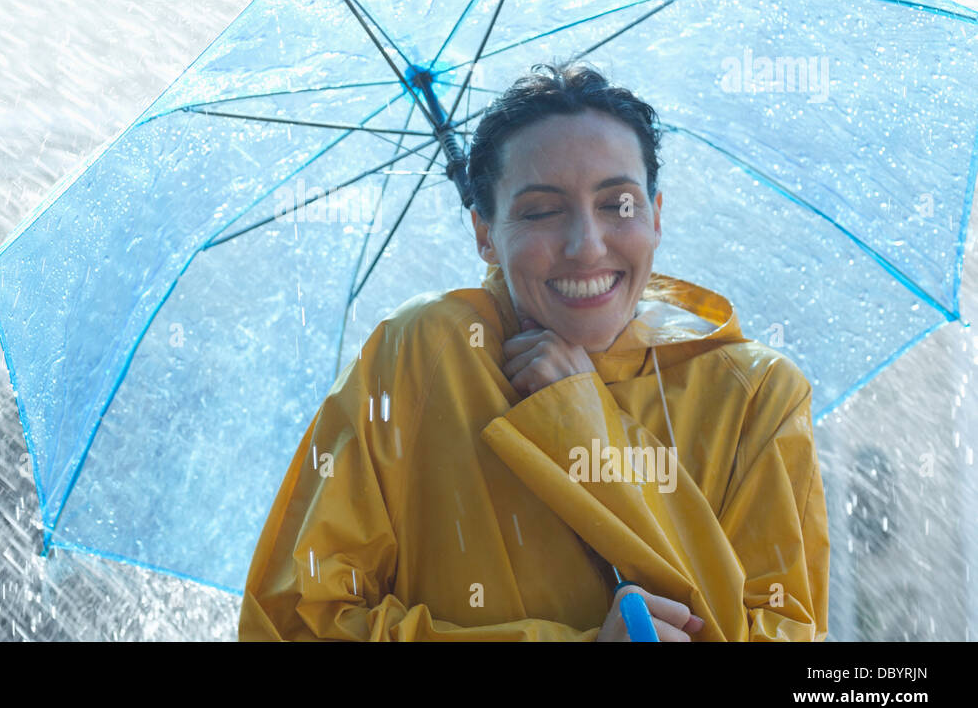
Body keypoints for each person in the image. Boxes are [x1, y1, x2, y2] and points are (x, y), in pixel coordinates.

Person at [237, 61, 829, 641]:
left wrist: (586, 426)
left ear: (656, 214)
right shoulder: (423, 355)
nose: (586, 246)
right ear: (484, 234)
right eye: (541, 211)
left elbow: (779, 631)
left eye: (618, 204)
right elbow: (295, 621)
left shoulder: (754, 394)